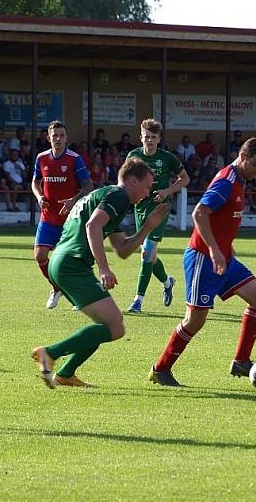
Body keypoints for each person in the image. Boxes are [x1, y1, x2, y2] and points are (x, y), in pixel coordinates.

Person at [30, 158, 170, 388]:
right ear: (132, 181)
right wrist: (104, 268)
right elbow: (92, 226)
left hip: (64, 264)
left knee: (104, 326)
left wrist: (148, 227)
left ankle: (65, 374)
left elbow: (123, 250)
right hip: (71, 265)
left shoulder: (110, 198)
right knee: (115, 327)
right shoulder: (118, 196)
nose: (148, 192)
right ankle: (50, 354)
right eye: (146, 186)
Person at [150, 137, 256, 387]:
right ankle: (160, 369)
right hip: (203, 259)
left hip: (223, 258)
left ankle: (241, 361)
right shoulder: (227, 181)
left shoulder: (240, 180)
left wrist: (226, 249)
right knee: (195, 320)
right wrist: (215, 251)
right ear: (243, 156)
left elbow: (223, 219)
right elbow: (200, 213)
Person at [126, 118, 190, 313]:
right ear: (141, 137)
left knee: (147, 252)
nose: (150, 140)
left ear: (159, 138)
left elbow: (185, 179)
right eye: (146, 136)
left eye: (153, 137)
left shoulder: (167, 157)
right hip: (140, 208)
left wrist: (167, 191)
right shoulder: (133, 156)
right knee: (150, 256)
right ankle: (167, 282)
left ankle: (138, 301)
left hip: (159, 208)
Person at [32, 121, 94, 309]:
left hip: (70, 220)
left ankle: (81, 297)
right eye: (54, 135)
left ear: (66, 138)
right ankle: (56, 288)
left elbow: (88, 186)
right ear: (48, 137)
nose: (58, 138)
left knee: (73, 261)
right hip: (48, 217)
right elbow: (35, 182)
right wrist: (39, 196)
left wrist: (73, 200)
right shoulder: (41, 158)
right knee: (40, 255)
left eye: (61, 135)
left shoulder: (74, 159)